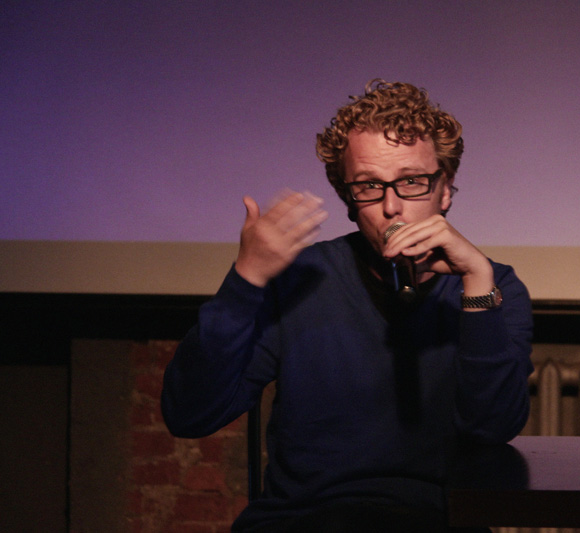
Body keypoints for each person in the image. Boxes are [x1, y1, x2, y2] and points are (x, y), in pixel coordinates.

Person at [161, 80, 534, 532]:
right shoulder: (302, 279)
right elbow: (191, 414)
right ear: (349, 202)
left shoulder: (495, 286)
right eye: (369, 186)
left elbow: (492, 428)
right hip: (304, 521)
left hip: (434, 521)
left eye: (411, 182)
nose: (392, 206)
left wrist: (475, 284)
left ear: (445, 190)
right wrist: (246, 278)